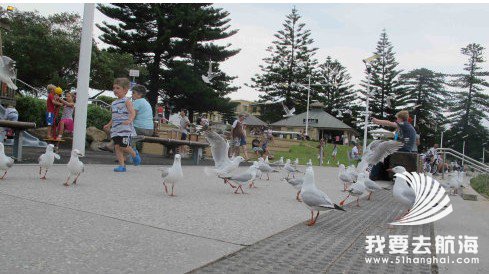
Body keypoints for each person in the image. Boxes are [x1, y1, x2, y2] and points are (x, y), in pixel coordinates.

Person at [103, 78, 141, 172]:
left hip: (125, 129)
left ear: (125, 90)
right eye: (114, 88)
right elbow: (114, 116)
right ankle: (122, 166)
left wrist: (129, 120)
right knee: (117, 147)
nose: (115, 90)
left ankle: (134, 154)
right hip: (116, 129)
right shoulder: (114, 103)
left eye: (118, 88)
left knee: (123, 146)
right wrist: (109, 124)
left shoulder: (126, 101)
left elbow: (133, 113)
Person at [131, 84, 154, 151]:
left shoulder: (137, 101)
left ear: (139, 94)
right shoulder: (145, 102)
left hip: (141, 129)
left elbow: (132, 117)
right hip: (149, 130)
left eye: (133, 92)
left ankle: (112, 146)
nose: (131, 94)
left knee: (122, 129)